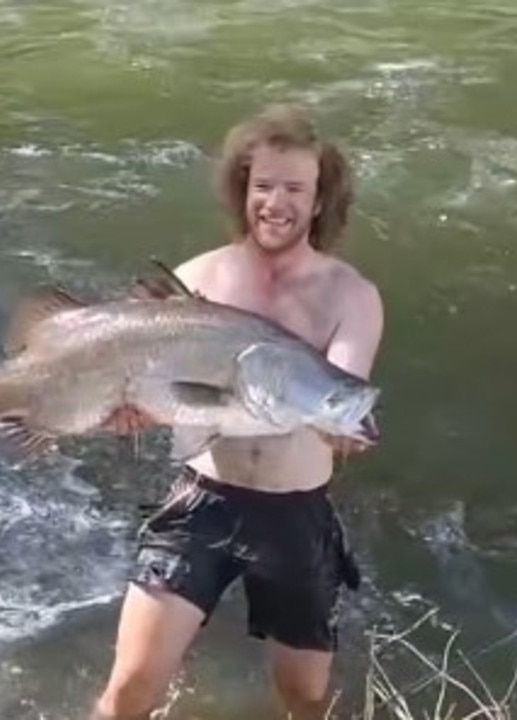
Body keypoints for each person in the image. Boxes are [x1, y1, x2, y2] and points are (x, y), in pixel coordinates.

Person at [89, 103, 386, 720]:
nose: (275, 202)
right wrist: (131, 412)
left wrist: (342, 434)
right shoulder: (195, 280)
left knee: (303, 699)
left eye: (295, 188)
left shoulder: (351, 296)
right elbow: (141, 383)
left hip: (295, 515)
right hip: (202, 501)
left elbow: (343, 391)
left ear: (321, 199)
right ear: (242, 190)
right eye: (263, 185)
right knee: (126, 694)